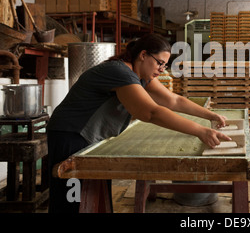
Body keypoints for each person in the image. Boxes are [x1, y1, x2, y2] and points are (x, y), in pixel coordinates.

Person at [47, 33, 231, 213]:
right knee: (71, 200)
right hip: (70, 135)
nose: (161, 70)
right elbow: (150, 113)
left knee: (95, 192)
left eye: (165, 65)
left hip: (88, 137)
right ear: (143, 55)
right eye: (159, 63)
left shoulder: (140, 76)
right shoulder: (119, 72)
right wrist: (201, 131)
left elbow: (174, 100)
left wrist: (210, 115)